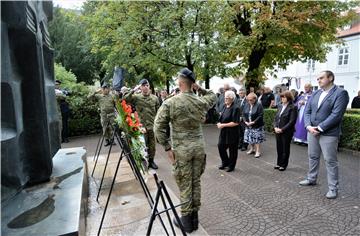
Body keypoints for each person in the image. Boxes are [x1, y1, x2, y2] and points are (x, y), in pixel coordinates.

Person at [154, 68, 216, 233]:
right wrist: (199, 88)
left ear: (180, 84)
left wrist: (167, 147)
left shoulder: (171, 102)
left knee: (185, 184)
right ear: (192, 84)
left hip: (182, 151)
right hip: (198, 149)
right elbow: (213, 96)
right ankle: (194, 219)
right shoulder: (200, 101)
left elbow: (157, 127)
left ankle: (187, 221)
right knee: (195, 181)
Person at [299, 70, 349, 199]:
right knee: (313, 156)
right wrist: (308, 126)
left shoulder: (341, 93)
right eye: (318, 78)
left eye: (321, 78)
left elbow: (336, 115)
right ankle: (311, 178)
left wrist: (320, 128)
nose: (318, 80)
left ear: (331, 78)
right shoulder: (315, 93)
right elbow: (307, 112)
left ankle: (333, 188)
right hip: (312, 131)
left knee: (330, 161)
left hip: (329, 133)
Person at [124, 79, 160, 169]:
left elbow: (159, 112)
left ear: (149, 86)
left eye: (147, 85)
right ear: (140, 87)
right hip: (142, 126)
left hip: (152, 126)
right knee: (143, 145)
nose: (145, 87)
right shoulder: (136, 97)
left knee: (152, 145)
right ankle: (144, 161)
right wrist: (133, 90)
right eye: (143, 85)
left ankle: (151, 161)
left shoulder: (154, 98)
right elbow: (125, 100)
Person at [273, 91, 298, 171]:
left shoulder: (293, 107)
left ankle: (284, 165)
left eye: (284, 97)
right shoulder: (280, 106)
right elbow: (276, 118)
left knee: (285, 148)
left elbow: (292, 121)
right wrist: (275, 127)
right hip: (278, 130)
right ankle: (278, 163)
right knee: (279, 147)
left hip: (287, 131)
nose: (282, 98)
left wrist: (282, 129)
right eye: (281, 97)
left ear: (288, 98)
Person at [217, 90, 241, 172]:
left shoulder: (236, 108)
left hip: (232, 133)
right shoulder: (224, 106)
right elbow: (221, 118)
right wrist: (219, 123)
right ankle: (225, 162)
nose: (225, 99)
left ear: (232, 98)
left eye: (227, 98)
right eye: (225, 98)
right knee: (220, 146)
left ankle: (231, 166)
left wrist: (223, 125)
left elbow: (235, 122)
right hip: (224, 132)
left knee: (232, 150)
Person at [243, 92, 265, 158]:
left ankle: (257, 151)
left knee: (256, 138)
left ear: (255, 99)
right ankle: (252, 149)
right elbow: (243, 114)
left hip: (256, 125)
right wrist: (245, 121)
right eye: (248, 100)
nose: (249, 101)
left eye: (251, 100)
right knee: (250, 137)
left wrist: (254, 122)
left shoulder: (259, 105)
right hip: (248, 124)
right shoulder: (247, 104)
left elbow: (260, 115)